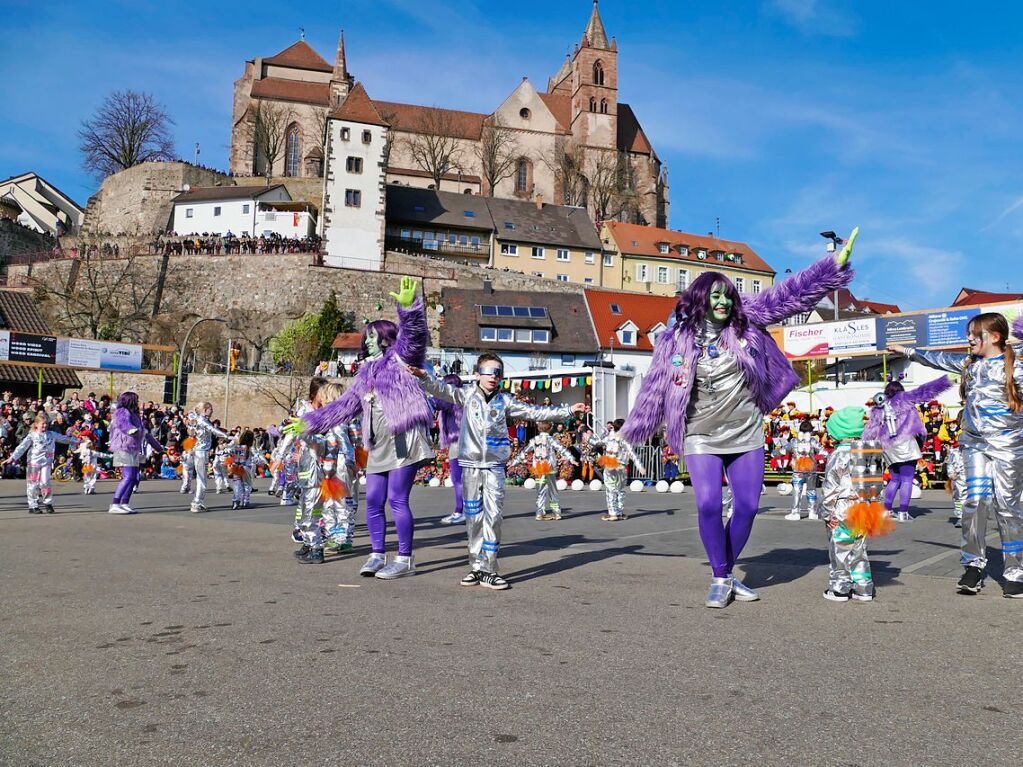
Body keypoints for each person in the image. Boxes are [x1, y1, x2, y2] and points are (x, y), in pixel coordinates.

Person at [620, 228, 857, 608]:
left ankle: (726, 573)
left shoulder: (745, 325)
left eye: (728, 295)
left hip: (745, 430)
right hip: (700, 432)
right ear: (700, 298)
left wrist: (831, 266)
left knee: (747, 507)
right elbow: (655, 387)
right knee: (709, 504)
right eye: (715, 295)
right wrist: (640, 427)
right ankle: (720, 577)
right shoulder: (674, 340)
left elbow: (789, 296)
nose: (723, 301)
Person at [413, 353, 588, 590]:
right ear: (477, 375)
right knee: (473, 518)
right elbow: (441, 389)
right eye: (489, 371)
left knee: (493, 517)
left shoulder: (505, 401)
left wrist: (568, 410)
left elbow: (535, 413)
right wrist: (424, 377)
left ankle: (490, 569)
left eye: (498, 372)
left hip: (494, 466)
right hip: (470, 466)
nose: (494, 377)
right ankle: (476, 567)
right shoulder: (466, 395)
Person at [300, 277, 433, 580]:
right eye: (367, 336)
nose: (368, 340)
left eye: (372, 335)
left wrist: (409, 307)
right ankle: (376, 554)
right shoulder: (364, 373)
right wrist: (309, 422)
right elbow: (344, 406)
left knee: (398, 499)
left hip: (405, 440)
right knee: (373, 500)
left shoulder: (399, 361)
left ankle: (404, 558)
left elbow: (414, 338)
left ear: (386, 338)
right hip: (379, 445)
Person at [891, 311, 1023, 597]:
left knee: (1008, 507)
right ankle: (973, 565)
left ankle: (1015, 571)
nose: (969, 340)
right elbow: (937, 358)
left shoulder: (1016, 369)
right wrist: (908, 351)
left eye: (976, 335)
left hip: (1008, 447)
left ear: (995, 337)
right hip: (974, 445)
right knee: (974, 502)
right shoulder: (968, 364)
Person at [863, 376, 952, 522]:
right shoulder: (904, 399)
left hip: (888, 447)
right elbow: (925, 391)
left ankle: (886, 511)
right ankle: (903, 512)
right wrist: (946, 381)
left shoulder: (878, 408)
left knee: (894, 479)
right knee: (907, 479)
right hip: (906, 444)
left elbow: (869, 431)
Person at [820, 406, 878, 602]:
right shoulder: (869, 451)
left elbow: (831, 487)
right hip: (864, 506)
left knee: (840, 546)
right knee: (859, 548)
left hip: (842, 507)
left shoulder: (838, 455)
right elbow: (877, 484)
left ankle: (840, 587)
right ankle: (863, 587)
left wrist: (827, 513)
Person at [3, 414, 80, 513]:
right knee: (33, 484)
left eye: (46, 424)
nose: (44, 426)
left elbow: (64, 438)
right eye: (42, 424)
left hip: (46, 462)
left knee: (45, 482)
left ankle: (48, 503)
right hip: (33, 462)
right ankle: (33, 505)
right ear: (36, 424)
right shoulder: (32, 435)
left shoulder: (51, 434)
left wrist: (78, 441)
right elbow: (22, 447)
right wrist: (12, 457)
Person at [510, 420, 578, 521]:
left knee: (540, 492)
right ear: (550, 429)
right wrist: (572, 459)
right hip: (550, 468)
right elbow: (562, 449)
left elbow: (524, 451)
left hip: (539, 468)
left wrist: (514, 462)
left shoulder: (534, 439)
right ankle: (556, 512)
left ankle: (539, 513)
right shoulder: (551, 439)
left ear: (538, 428)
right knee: (553, 491)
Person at [108, 392, 163, 514]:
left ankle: (124, 502)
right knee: (128, 477)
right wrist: (131, 430)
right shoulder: (122, 411)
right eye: (136, 400)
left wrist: (158, 447)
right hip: (124, 447)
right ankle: (115, 504)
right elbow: (123, 424)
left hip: (134, 448)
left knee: (134, 478)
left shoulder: (135, 415)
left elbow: (145, 433)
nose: (137, 402)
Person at [589, 419, 645, 521]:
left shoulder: (609, 438)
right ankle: (619, 512)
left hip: (610, 465)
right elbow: (632, 453)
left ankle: (613, 513)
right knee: (620, 490)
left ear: (614, 428)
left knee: (610, 489)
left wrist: (588, 438)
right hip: (621, 467)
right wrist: (639, 466)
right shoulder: (625, 440)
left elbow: (597, 443)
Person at [432, 373, 466, 525]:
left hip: (457, 442)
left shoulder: (451, 396)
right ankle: (467, 510)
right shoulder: (463, 397)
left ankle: (460, 511)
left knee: (458, 480)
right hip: (467, 442)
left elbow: (435, 403)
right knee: (466, 480)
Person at [186, 402, 229, 513]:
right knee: (202, 478)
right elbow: (212, 430)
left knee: (201, 477)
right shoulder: (202, 420)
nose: (212, 411)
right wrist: (226, 435)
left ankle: (198, 501)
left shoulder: (198, 419)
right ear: (205, 409)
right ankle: (197, 502)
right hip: (201, 452)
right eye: (211, 409)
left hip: (200, 451)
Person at [785, 420, 824, 521]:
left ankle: (795, 512)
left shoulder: (794, 441)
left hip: (798, 470)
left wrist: (775, 453)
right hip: (811, 470)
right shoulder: (813, 441)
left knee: (797, 491)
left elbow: (784, 450)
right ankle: (812, 512)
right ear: (810, 431)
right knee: (811, 490)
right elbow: (822, 451)